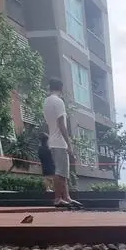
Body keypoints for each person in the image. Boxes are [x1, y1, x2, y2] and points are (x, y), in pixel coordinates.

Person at [42, 78, 78, 206]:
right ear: (61, 88)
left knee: (63, 171)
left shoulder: (46, 101)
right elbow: (62, 124)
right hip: (59, 142)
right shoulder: (58, 102)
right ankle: (58, 199)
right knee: (60, 172)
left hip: (52, 140)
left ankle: (67, 197)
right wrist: (69, 144)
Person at [37, 128, 57, 193]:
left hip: (44, 165)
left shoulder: (40, 149)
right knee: (53, 178)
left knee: (46, 177)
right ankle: (55, 190)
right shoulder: (49, 148)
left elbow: (39, 157)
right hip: (51, 165)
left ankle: (47, 189)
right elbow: (53, 156)